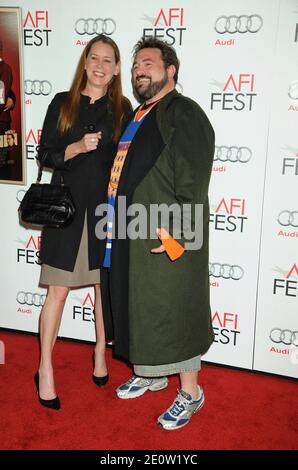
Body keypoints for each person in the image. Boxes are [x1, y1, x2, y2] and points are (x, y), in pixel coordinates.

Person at [102, 37, 215, 430]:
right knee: (144, 310)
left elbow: (193, 180)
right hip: (132, 230)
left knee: (175, 312)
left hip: (166, 233)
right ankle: (151, 373)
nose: (139, 71)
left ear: (171, 70)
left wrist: (177, 237)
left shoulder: (184, 113)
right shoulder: (138, 115)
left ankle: (191, 394)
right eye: (135, 66)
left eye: (148, 63)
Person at [35, 34, 132, 410]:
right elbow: (44, 153)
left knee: (101, 294)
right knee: (56, 293)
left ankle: (99, 354)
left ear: (117, 68)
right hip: (64, 212)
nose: (101, 65)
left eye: (109, 60)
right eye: (95, 58)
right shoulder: (62, 103)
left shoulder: (123, 108)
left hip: (105, 214)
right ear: (85, 61)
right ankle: (45, 368)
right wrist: (73, 148)